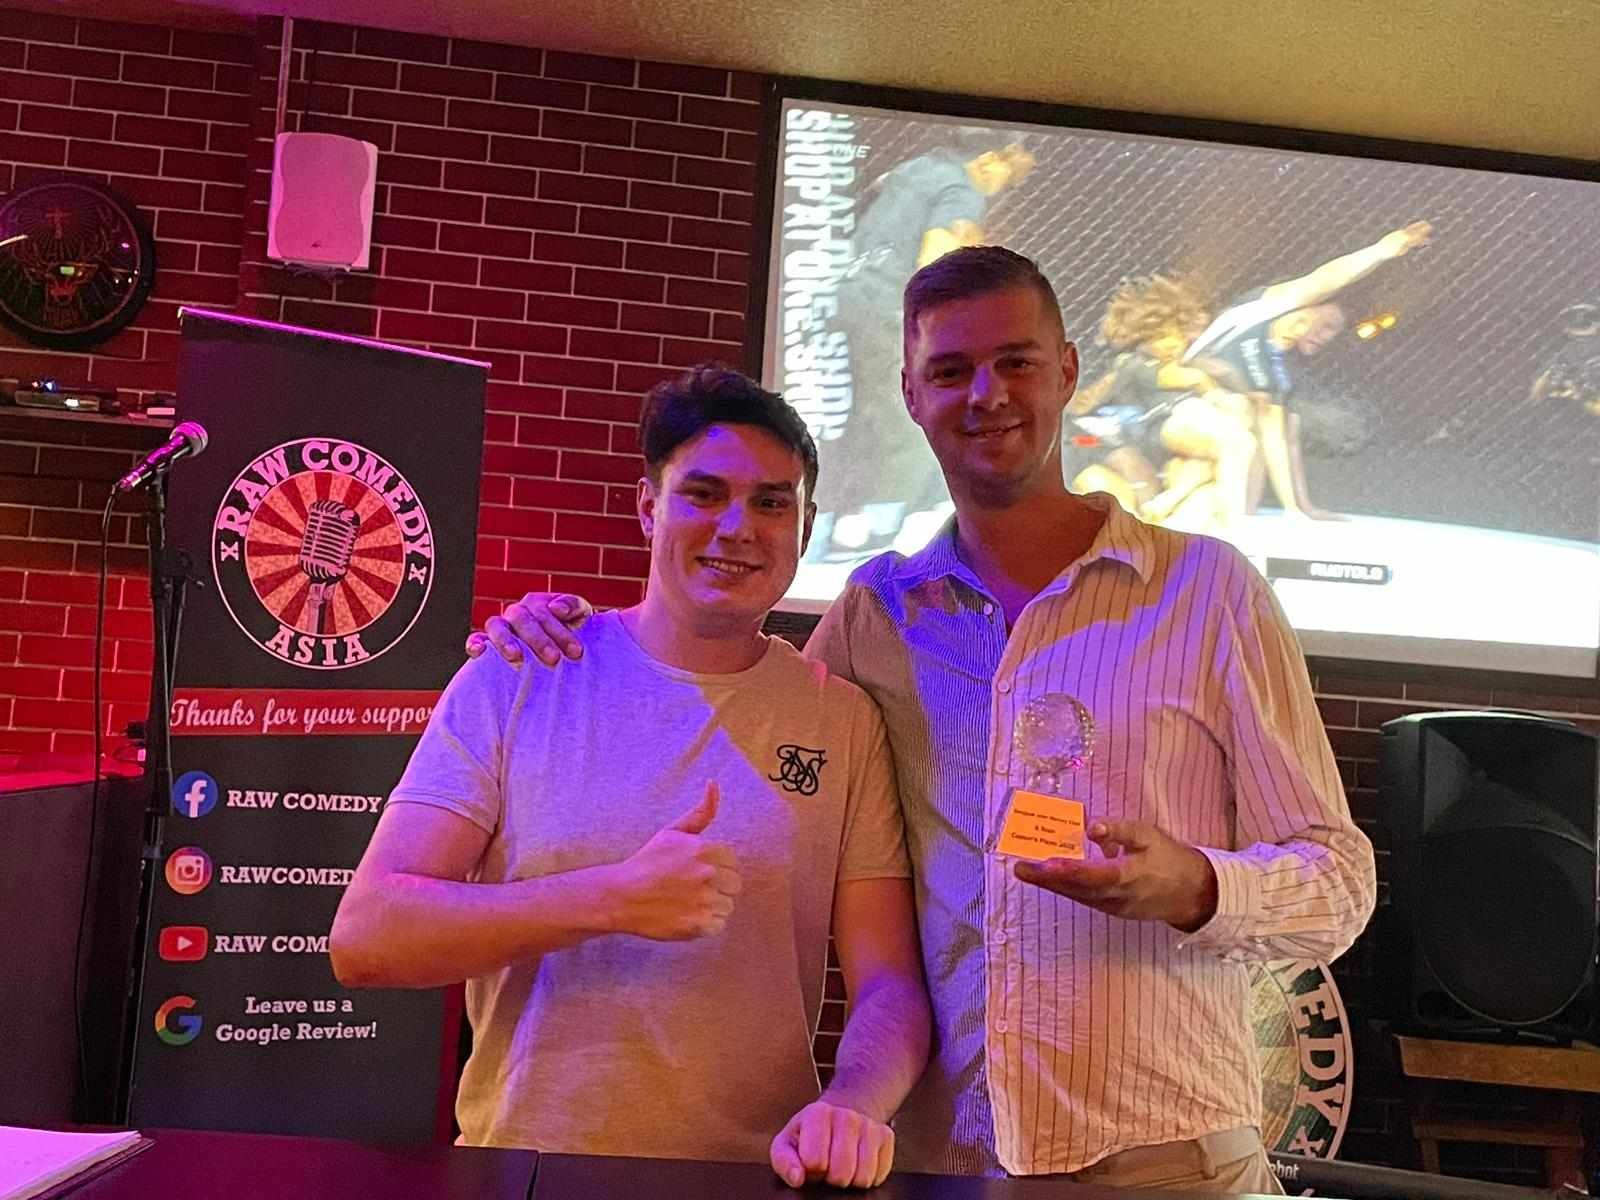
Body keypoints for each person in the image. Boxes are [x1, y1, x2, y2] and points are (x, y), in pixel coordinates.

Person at [476, 248, 1376, 1193]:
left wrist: (1194, 885)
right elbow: (725, 697)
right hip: (947, 1163)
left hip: (1169, 1159)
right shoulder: (879, 613)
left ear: (1067, 371)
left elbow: (1341, 883)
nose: (986, 393)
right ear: (912, 393)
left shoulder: (1208, 592)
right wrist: (566, 638)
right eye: (951, 371)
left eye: (1016, 361)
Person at [332, 366, 931, 1190]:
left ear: (806, 525)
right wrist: (610, 898)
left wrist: (858, 1101)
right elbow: (367, 938)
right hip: (527, 1170)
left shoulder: (842, 723)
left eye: (771, 503)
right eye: (704, 494)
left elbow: (891, 986)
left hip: (753, 1180)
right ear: (649, 506)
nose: (737, 527)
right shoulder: (522, 674)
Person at [818, 130, 1037, 561]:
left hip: (853, 297)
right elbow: (939, 265)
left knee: (873, 411)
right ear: (992, 159)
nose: (1002, 188)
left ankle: (847, 518)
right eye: (1009, 175)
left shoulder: (917, 170)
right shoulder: (961, 186)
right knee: (918, 414)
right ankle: (876, 532)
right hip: (889, 307)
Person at [1183, 221, 1433, 518]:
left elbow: (1279, 434)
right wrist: (1382, 251)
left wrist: (1299, 508)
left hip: (1211, 444)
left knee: (1282, 421)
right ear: (1303, 308)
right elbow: (1324, 280)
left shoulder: (1273, 364)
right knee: (1242, 412)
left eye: (1334, 333)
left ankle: (1250, 515)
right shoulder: (1255, 312)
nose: (1326, 337)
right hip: (1171, 410)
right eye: (1326, 325)